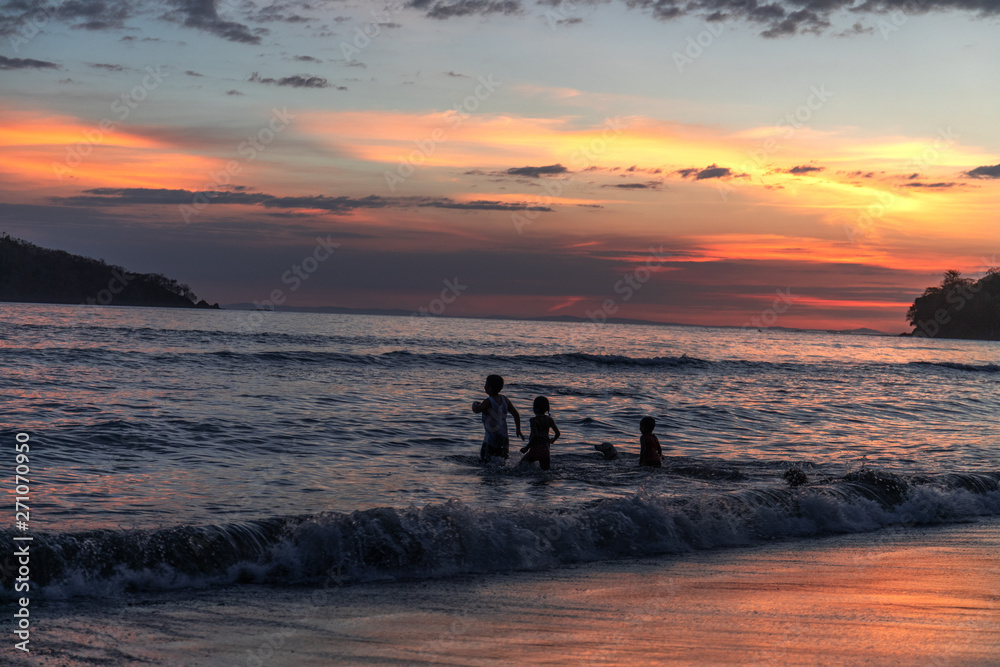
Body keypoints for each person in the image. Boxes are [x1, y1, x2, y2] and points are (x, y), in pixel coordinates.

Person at [472, 374, 523, 461]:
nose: (484, 387)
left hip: (491, 439)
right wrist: (518, 430)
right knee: (502, 461)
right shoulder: (505, 400)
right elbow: (516, 414)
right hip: (504, 438)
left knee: (485, 461)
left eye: (486, 384)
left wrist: (474, 404)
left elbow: (477, 410)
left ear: (490, 388)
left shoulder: (488, 401)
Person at [519, 396, 560, 471]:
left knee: (520, 466)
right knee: (545, 472)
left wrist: (526, 448)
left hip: (535, 449)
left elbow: (535, 436)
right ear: (547, 409)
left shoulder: (533, 421)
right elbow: (557, 433)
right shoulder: (549, 419)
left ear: (534, 408)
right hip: (545, 450)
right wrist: (553, 440)